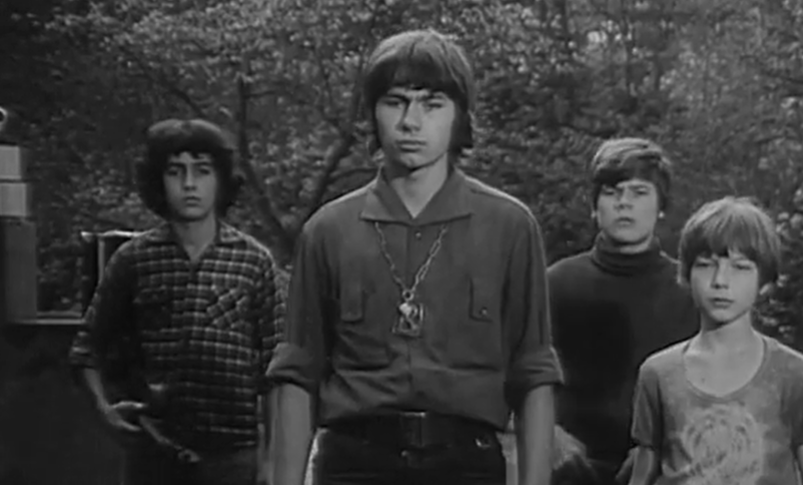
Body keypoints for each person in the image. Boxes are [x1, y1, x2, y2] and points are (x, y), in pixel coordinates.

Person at [265, 29, 563, 485]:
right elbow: (297, 373)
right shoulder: (328, 230)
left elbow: (534, 371)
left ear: (459, 116)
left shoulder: (509, 226)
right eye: (396, 102)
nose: (411, 121)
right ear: (373, 113)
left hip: (466, 464)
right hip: (355, 463)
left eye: (432, 104)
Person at [69, 118, 285, 485]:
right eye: (175, 172)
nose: (189, 184)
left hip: (236, 456)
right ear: (158, 180)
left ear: (221, 179)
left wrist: (272, 459)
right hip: (156, 452)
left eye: (202, 171)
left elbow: (278, 366)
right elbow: (86, 348)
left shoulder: (253, 260)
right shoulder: (134, 259)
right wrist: (104, 410)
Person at [548, 138, 697, 484]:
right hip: (567, 469)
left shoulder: (689, 292)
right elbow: (517, 370)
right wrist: (548, 435)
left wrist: (659, 447)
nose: (624, 203)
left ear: (661, 206)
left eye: (639, 192)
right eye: (612, 192)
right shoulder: (554, 283)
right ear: (594, 205)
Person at [628, 196, 803, 484]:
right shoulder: (658, 373)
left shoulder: (792, 374)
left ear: (764, 282)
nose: (721, 280)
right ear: (686, 274)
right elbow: (645, 469)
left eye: (740, 267)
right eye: (706, 265)